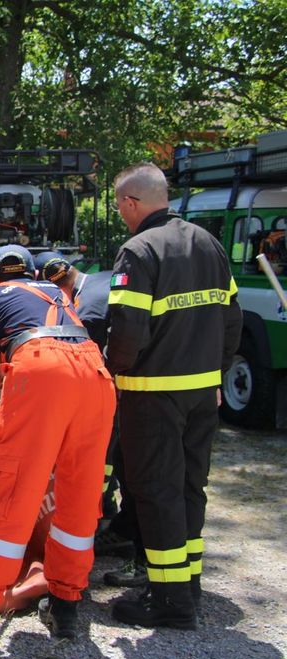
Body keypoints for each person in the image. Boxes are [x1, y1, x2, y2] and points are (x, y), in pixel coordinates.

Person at [0, 245, 115, 659]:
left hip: (40, 370)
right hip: (95, 372)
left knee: (15, 493)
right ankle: (65, 606)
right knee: (80, 495)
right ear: (35, 274)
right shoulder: (57, 294)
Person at [106, 162, 242, 630]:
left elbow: (126, 332)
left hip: (151, 393)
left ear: (131, 203)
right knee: (189, 486)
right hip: (202, 392)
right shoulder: (209, 243)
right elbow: (232, 317)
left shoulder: (139, 250)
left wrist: (110, 372)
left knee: (155, 489)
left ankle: (169, 599)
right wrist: (216, 373)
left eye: (119, 206)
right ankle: (188, 582)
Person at [34, 252, 141, 577]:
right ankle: (119, 526)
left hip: (120, 391)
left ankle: (91, 527)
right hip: (139, 387)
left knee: (102, 462)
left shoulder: (88, 309)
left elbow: (86, 361)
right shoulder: (99, 281)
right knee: (124, 463)